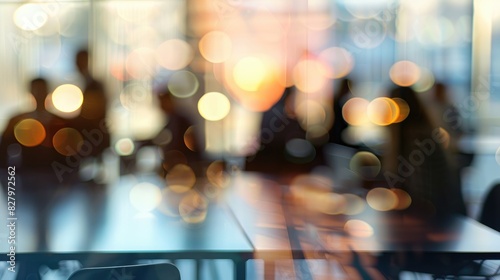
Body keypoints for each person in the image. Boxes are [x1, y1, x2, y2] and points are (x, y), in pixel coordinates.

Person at [383, 85, 467, 218]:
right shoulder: (422, 133)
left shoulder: (416, 139)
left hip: (443, 219)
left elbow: (421, 196)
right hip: (446, 214)